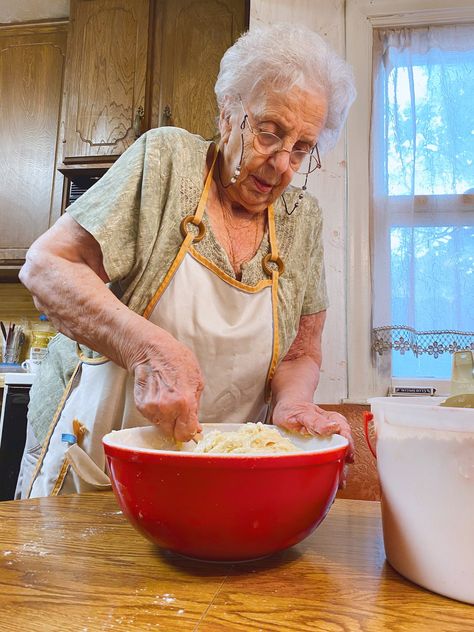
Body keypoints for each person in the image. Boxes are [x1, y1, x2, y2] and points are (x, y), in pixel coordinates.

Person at [17, 23, 356, 498]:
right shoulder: (166, 161)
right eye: (268, 134)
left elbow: (301, 350)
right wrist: (149, 349)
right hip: (98, 470)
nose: (283, 164)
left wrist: (293, 403)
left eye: (301, 148)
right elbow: (46, 266)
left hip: (215, 478)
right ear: (227, 114)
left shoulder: (303, 220)